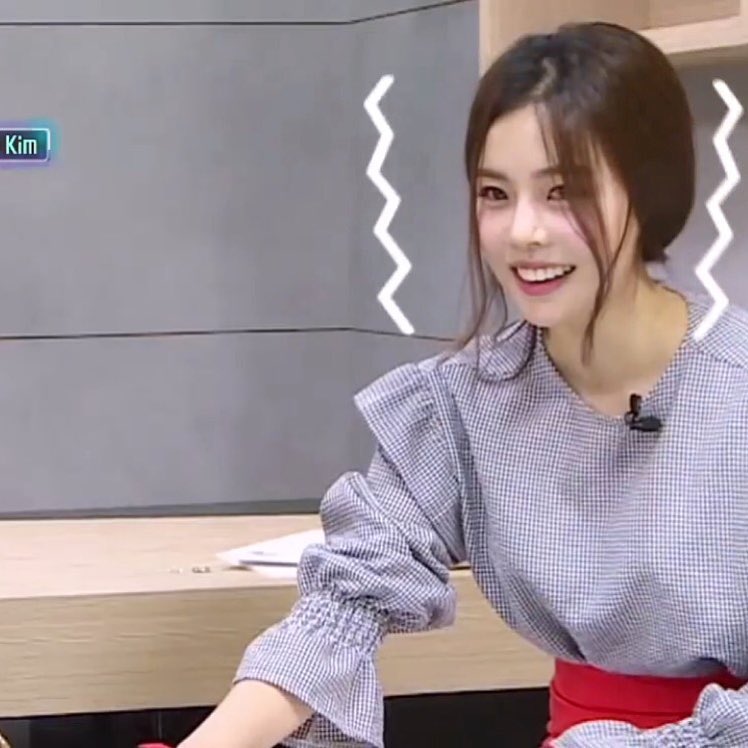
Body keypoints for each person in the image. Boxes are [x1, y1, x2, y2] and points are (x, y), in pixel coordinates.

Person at [178, 21, 748, 748]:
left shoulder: (735, 386)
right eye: (495, 194)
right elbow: (341, 608)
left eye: (563, 193)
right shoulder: (461, 405)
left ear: (649, 191)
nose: (523, 233)